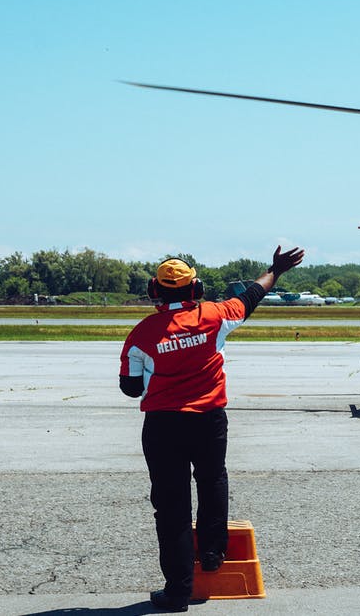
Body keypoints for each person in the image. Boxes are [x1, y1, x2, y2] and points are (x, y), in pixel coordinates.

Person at [120, 248, 304, 612]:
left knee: (171, 505)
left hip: (163, 424)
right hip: (208, 418)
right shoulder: (216, 315)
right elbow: (251, 295)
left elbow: (131, 387)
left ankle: (177, 591)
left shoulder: (141, 334)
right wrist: (275, 270)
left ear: (154, 291)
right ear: (196, 288)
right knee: (212, 479)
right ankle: (212, 550)